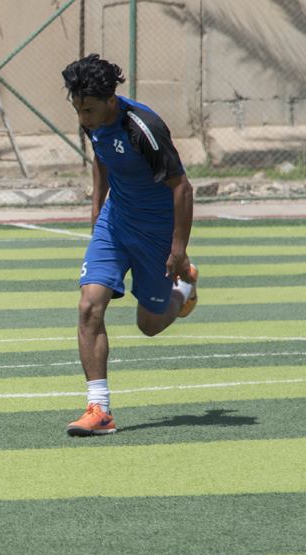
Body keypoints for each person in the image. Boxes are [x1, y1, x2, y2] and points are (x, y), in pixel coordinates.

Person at [62, 54, 198, 437]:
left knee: (148, 325)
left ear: (111, 100)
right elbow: (101, 159)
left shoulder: (143, 127)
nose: (83, 118)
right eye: (77, 109)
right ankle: (99, 409)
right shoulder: (92, 120)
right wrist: (96, 213)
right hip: (116, 220)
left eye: (89, 110)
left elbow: (182, 188)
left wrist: (178, 250)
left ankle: (184, 287)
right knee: (89, 305)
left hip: (156, 231)